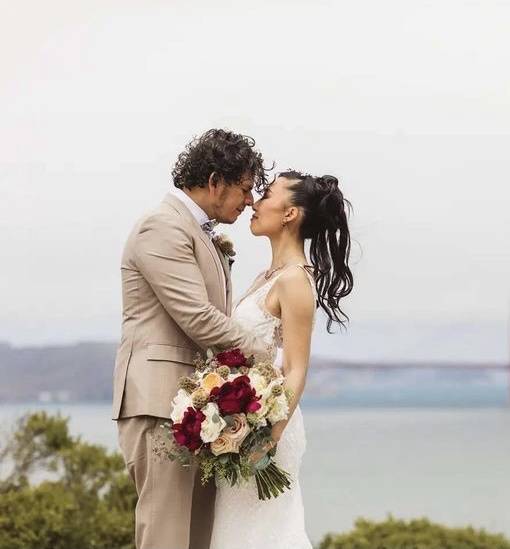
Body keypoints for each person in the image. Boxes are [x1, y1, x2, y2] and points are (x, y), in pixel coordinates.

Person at [113, 129, 271, 549]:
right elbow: (198, 318)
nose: (251, 200)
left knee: (200, 537)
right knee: (166, 536)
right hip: (159, 403)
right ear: (215, 180)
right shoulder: (160, 227)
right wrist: (265, 356)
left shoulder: (201, 233)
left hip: (198, 410)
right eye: (244, 188)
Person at [209, 171, 353, 549]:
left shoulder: (294, 280)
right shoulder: (267, 276)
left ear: (289, 214)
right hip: (244, 424)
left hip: (267, 431)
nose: (254, 204)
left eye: (266, 195)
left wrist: (267, 438)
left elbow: (296, 368)